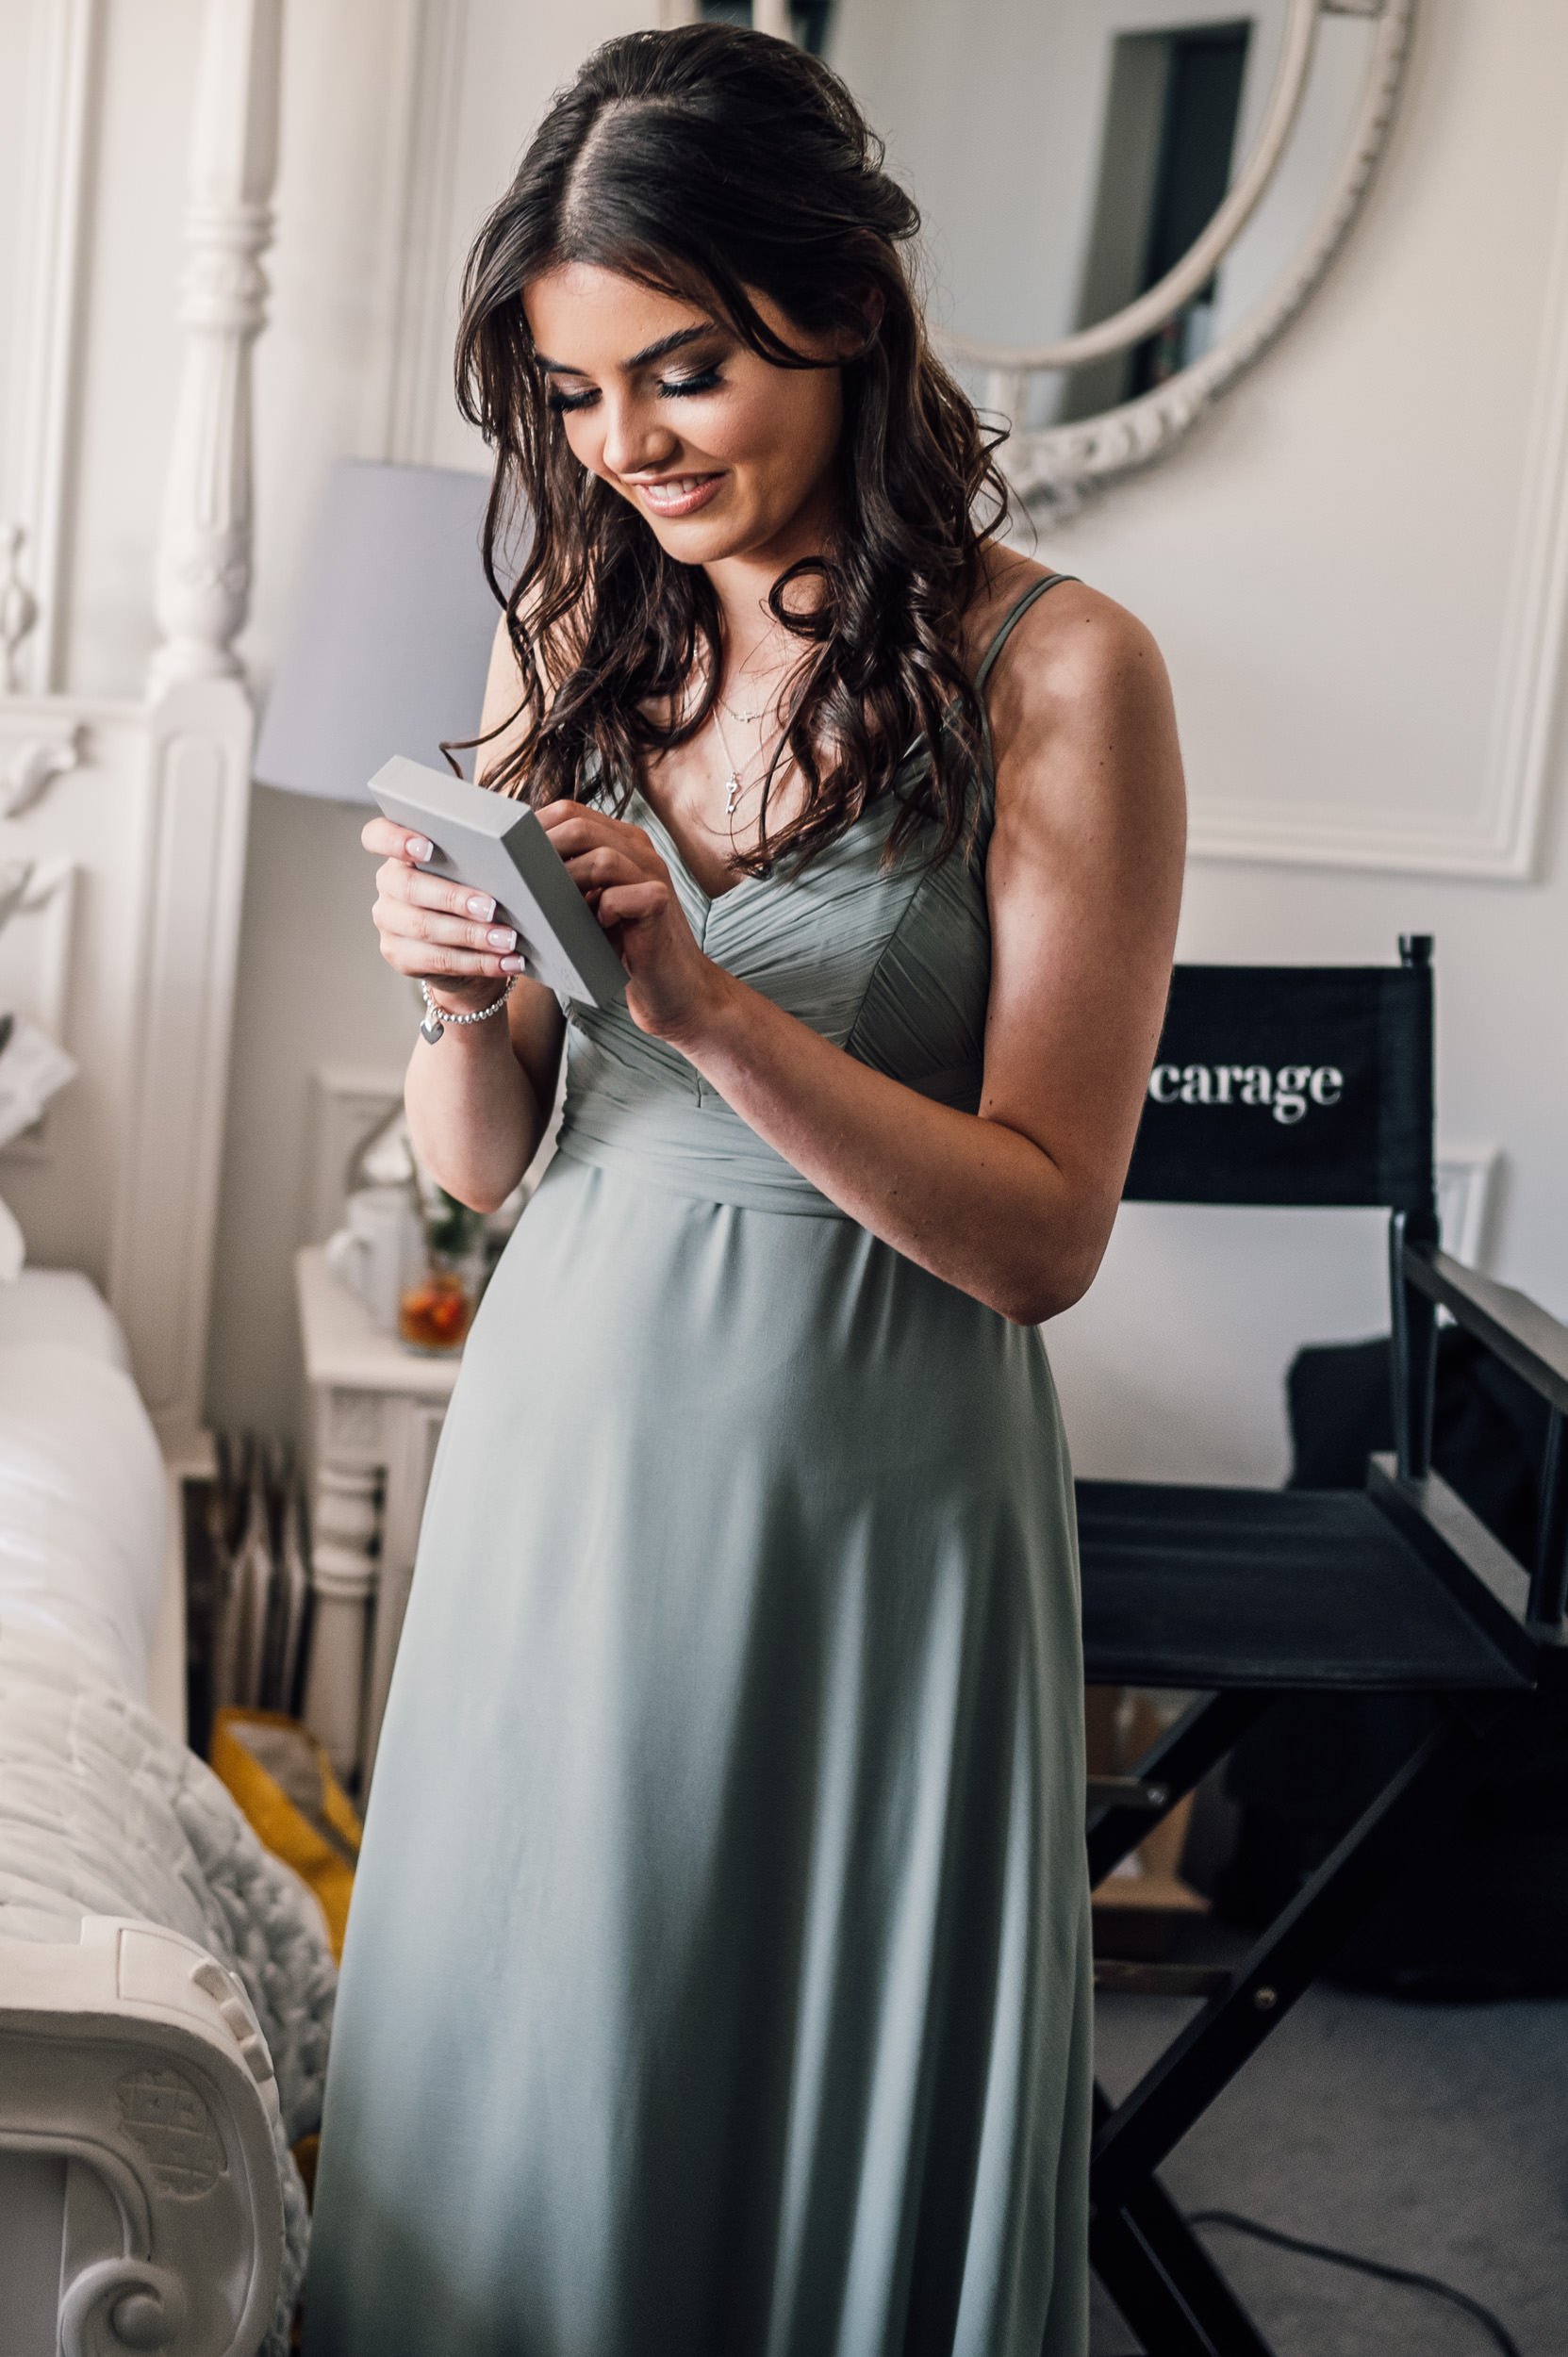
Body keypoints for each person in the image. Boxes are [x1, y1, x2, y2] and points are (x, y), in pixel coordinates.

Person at [303, 24, 1184, 2357]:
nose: (630, 450)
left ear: (848, 302)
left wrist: (699, 1001)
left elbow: (1041, 1232)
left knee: (788, 2130)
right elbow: (488, 1169)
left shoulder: (1064, 675)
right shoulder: (574, 626)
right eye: (579, 399)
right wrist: (446, 987)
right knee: (536, 2077)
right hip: (566, 1446)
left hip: (871, 1494)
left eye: (679, 370)